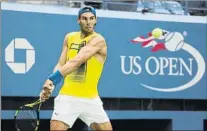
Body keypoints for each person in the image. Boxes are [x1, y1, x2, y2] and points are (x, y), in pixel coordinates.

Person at [39, 6, 113, 131]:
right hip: (67, 97)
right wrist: (51, 86)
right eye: (84, 19)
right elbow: (61, 64)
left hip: (91, 99)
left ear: (96, 20)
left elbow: (77, 61)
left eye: (92, 18)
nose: (89, 22)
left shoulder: (98, 40)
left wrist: (52, 79)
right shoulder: (69, 37)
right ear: (78, 20)